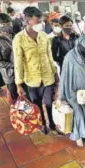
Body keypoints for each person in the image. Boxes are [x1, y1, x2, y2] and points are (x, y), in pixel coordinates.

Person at [13, 6, 57, 135]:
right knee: (36, 105)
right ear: (27, 21)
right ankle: (42, 124)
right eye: (37, 21)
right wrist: (18, 84)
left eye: (41, 21)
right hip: (32, 79)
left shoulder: (44, 36)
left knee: (49, 102)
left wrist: (55, 73)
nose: (40, 24)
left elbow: (49, 56)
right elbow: (18, 62)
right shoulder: (19, 38)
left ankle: (52, 123)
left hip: (48, 76)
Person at [58, 34, 85, 147]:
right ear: (79, 44)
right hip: (74, 91)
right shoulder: (70, 57)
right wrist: (61, 96)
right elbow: (64, 77)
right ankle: (78, 135)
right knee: (78, 112)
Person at [0, 13, 18, 102]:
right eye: (4, 23)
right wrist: (14, 65)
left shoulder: (16, 36)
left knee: (27, 96)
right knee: (16, 100)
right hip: (10, 76)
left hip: (23, 73)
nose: (8, 26)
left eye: (9, 23)